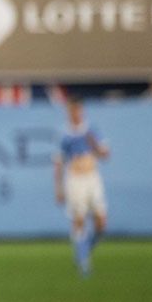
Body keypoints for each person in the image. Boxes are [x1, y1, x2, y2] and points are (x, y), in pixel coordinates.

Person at [53, 97, 110, 277]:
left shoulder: (91, 130)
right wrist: (59, 188)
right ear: (68, 112)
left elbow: (105, 154)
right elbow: (59, 163)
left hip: (92, 178)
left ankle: (85, 249)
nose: (76, 114)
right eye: (73, 111)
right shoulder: (65, 134)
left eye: (78, 110)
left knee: (101, 222)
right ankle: (84, 261)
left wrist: (94, 145)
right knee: (79, 219)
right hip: (75, 179)